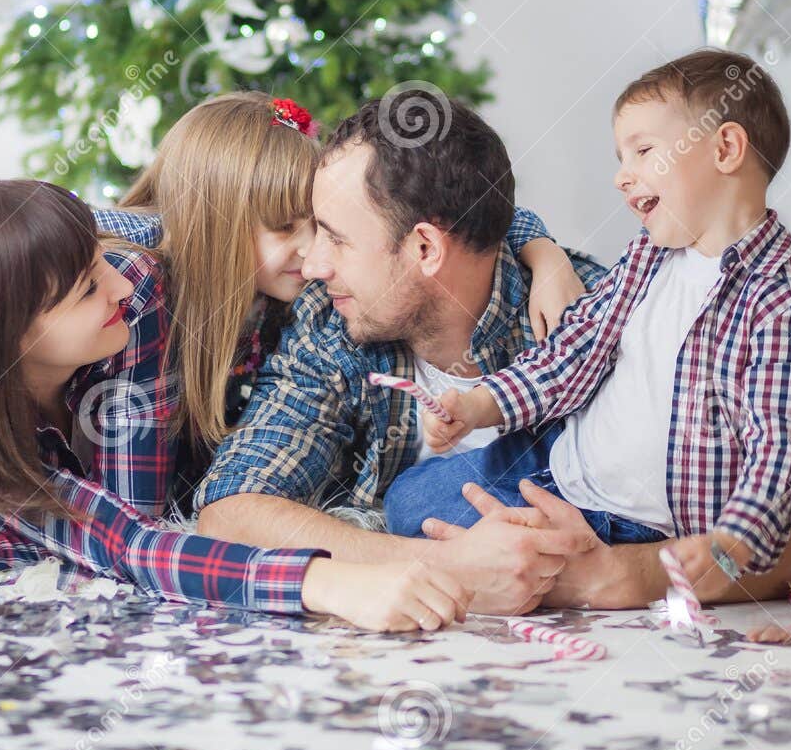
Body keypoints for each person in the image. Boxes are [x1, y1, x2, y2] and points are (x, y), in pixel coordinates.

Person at [0, 178, 469, 632]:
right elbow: (127, 544)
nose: (125, 281)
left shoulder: (133, 290)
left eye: (103, 260)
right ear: (17, 335)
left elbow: (104, 522)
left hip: (24, 395)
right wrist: (327, 584)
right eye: (91, 287)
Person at [385, 49, 791, 608]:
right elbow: (575, 350)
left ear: (725, 148)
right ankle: (519, 551)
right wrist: (482, 404)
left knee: (511, 560)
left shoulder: (780, 299)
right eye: (622, 157)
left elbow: (778, 443)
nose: (622, 177)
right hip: (559, 464)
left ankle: (550, 563)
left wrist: (732, 539)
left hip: (638, 524)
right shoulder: (649, 256)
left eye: (643, 151)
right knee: (408, 501)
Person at [192, 92, 608, 615]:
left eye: (336, 238)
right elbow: (229, 512)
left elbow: (726, 528)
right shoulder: (329, 321)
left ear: (426, 249)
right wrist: (447, 568)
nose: (314, 264)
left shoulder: (592, 318)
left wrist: (596, 575)